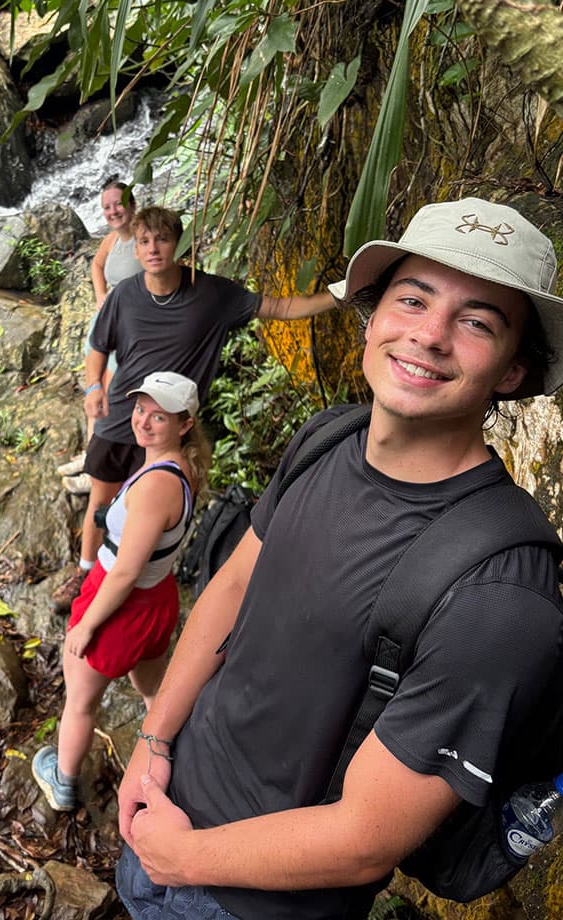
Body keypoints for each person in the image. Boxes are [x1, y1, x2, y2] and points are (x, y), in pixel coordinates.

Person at [114, 197, 563, 919]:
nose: (429, 335)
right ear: (374, 315)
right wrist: (154, 742)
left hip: (257, 902)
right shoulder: (326, 438)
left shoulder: (501, 590)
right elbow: (230, 592)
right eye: (411, 299)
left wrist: (180, 856)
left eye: (477, 322)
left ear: (513, 370)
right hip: (166, 807)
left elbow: (365, 838)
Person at [51, 204, 335, 613]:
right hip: (123, 417)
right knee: (102, 498)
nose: (153, 249)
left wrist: (338, 297)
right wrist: (94, 386)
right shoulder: (125, 296)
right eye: (144, 241)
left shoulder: (212, 294)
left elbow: (279, 308)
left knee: (156, 506)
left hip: (173, 427)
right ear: (135, 250)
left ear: (179, 243)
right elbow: (99, 346)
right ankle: (85, 571)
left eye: (162, 239)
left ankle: (138, 581)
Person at [33, 372, 210, 811]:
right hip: (156, 600)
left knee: (78, 703)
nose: (144, 422)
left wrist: (86, 625)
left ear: (184, 424)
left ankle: (64, 784)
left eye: (159, 417)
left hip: (120, 604)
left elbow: (126, 571)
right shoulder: (179, 467)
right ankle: (175, 756)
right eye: (140, 410)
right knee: (153, 689)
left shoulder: (154, 486)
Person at [57, 180, 141, 493]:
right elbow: (97, 264)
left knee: (110, 394)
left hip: (129, 330)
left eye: (118, 204)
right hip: (107, 324)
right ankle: (91, 454)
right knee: (95, 388)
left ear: (132, 204)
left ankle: (97, 473)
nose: (112, 212)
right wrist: (100, 295)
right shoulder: (110, 241)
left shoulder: (143, 240)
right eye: (106, 207)